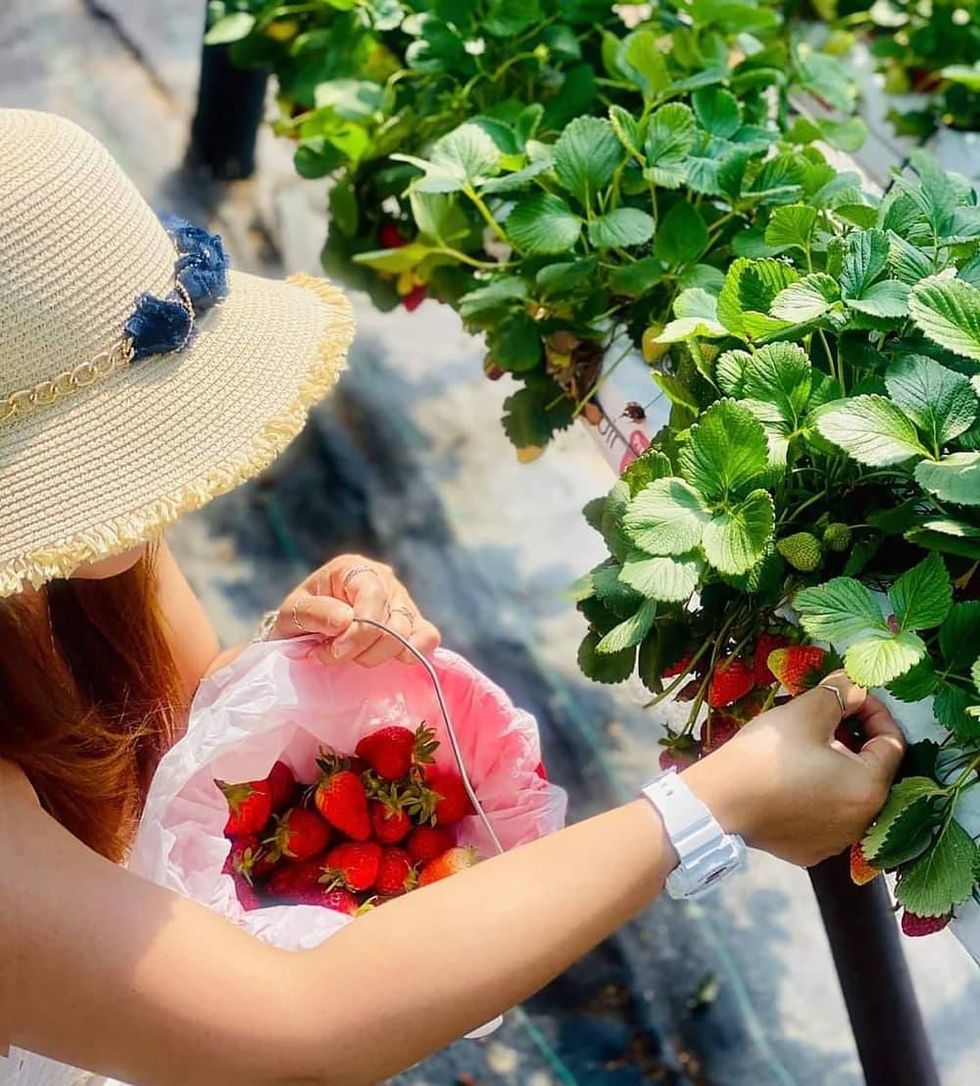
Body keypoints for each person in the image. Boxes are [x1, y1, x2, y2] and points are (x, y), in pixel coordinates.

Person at [0, 109, 905, 1086]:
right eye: (94, 445)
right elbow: (295, 1026)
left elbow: (174, 739)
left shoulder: (64, 552)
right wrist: (714, 803)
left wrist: (287, 662)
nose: (170, 469)